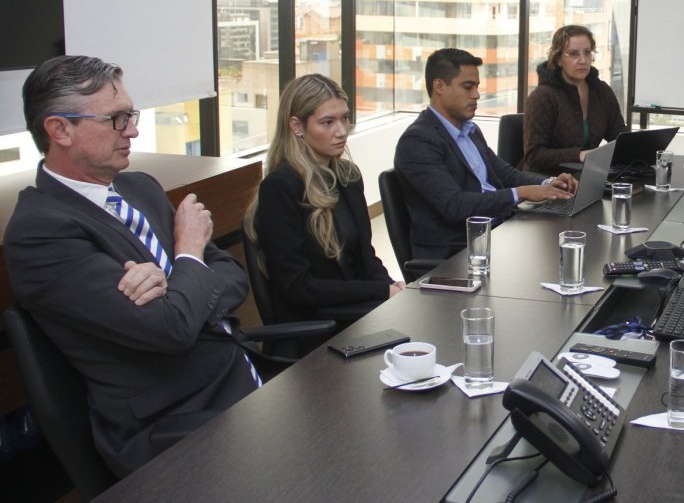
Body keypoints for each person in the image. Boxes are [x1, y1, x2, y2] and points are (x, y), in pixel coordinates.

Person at [4, 56, 259, 477]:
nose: (134, 130)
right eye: (116, 119)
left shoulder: (139, 188)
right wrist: (189, 253)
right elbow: (170, 329)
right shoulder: (41, 232)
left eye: (131, 115)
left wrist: (177, 283)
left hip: (234, 375)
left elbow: (233, 276)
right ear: (59, 129)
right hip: (175, 428)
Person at [247, 74, 401, 346]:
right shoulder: (280, 188)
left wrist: (393, 288)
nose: (342, 130)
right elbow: (299, 287)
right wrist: (379, 290)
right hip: (317, 332)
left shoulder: (347, 176)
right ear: (297, 125)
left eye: (345, 118)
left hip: (359, 316)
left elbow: (365, 256)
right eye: (328, 122)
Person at [394, 48, 577, 260]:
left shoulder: (470, 131)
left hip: (497, 234)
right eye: (467, 87)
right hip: (458, 255)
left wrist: (550, 184)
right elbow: (454, 206)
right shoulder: (418, 142)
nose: (476, 95)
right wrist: (521, 193)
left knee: (563, 244)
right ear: (439, 86)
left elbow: (507, 175)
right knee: (554, 258)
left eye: (477, 86)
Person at [522, 24, 628, 175]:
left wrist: (638, 148)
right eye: (573, 54)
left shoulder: (601, 91)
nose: (583, 60)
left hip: (587, 177)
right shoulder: (543, 96)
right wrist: (579, 155)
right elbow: (534, 155)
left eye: (587, 52)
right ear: (558, 58)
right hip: (546, 182)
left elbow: (618, 135)